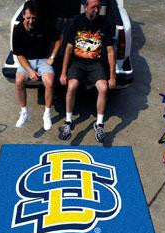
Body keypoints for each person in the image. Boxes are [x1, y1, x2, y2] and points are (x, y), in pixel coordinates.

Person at [58, 0, 116, 143]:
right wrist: (63, 72)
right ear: (85, 7)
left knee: (103, 88)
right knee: (71, 86)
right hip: (78, 62)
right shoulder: (76, 21)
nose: (97, 10)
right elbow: (69, 49)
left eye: (99, 7)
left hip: (96, 63)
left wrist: (112, 77)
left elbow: (110, 52)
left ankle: (99, 124)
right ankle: (68, 122)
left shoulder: (105, 23)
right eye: (94, 7)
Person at [12, 1, 63, 130]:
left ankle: (46, 114)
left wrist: (52, 57)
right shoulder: (18, 30)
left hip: (43, 60)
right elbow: (19, 55)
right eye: (28, 18)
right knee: (18, 81)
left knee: (50, 82)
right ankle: (24, 112)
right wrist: (30, 72)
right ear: (23, 15)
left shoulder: (44, 25)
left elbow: (59, 39)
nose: (31, 21)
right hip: (26, 61)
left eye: (33, 18)